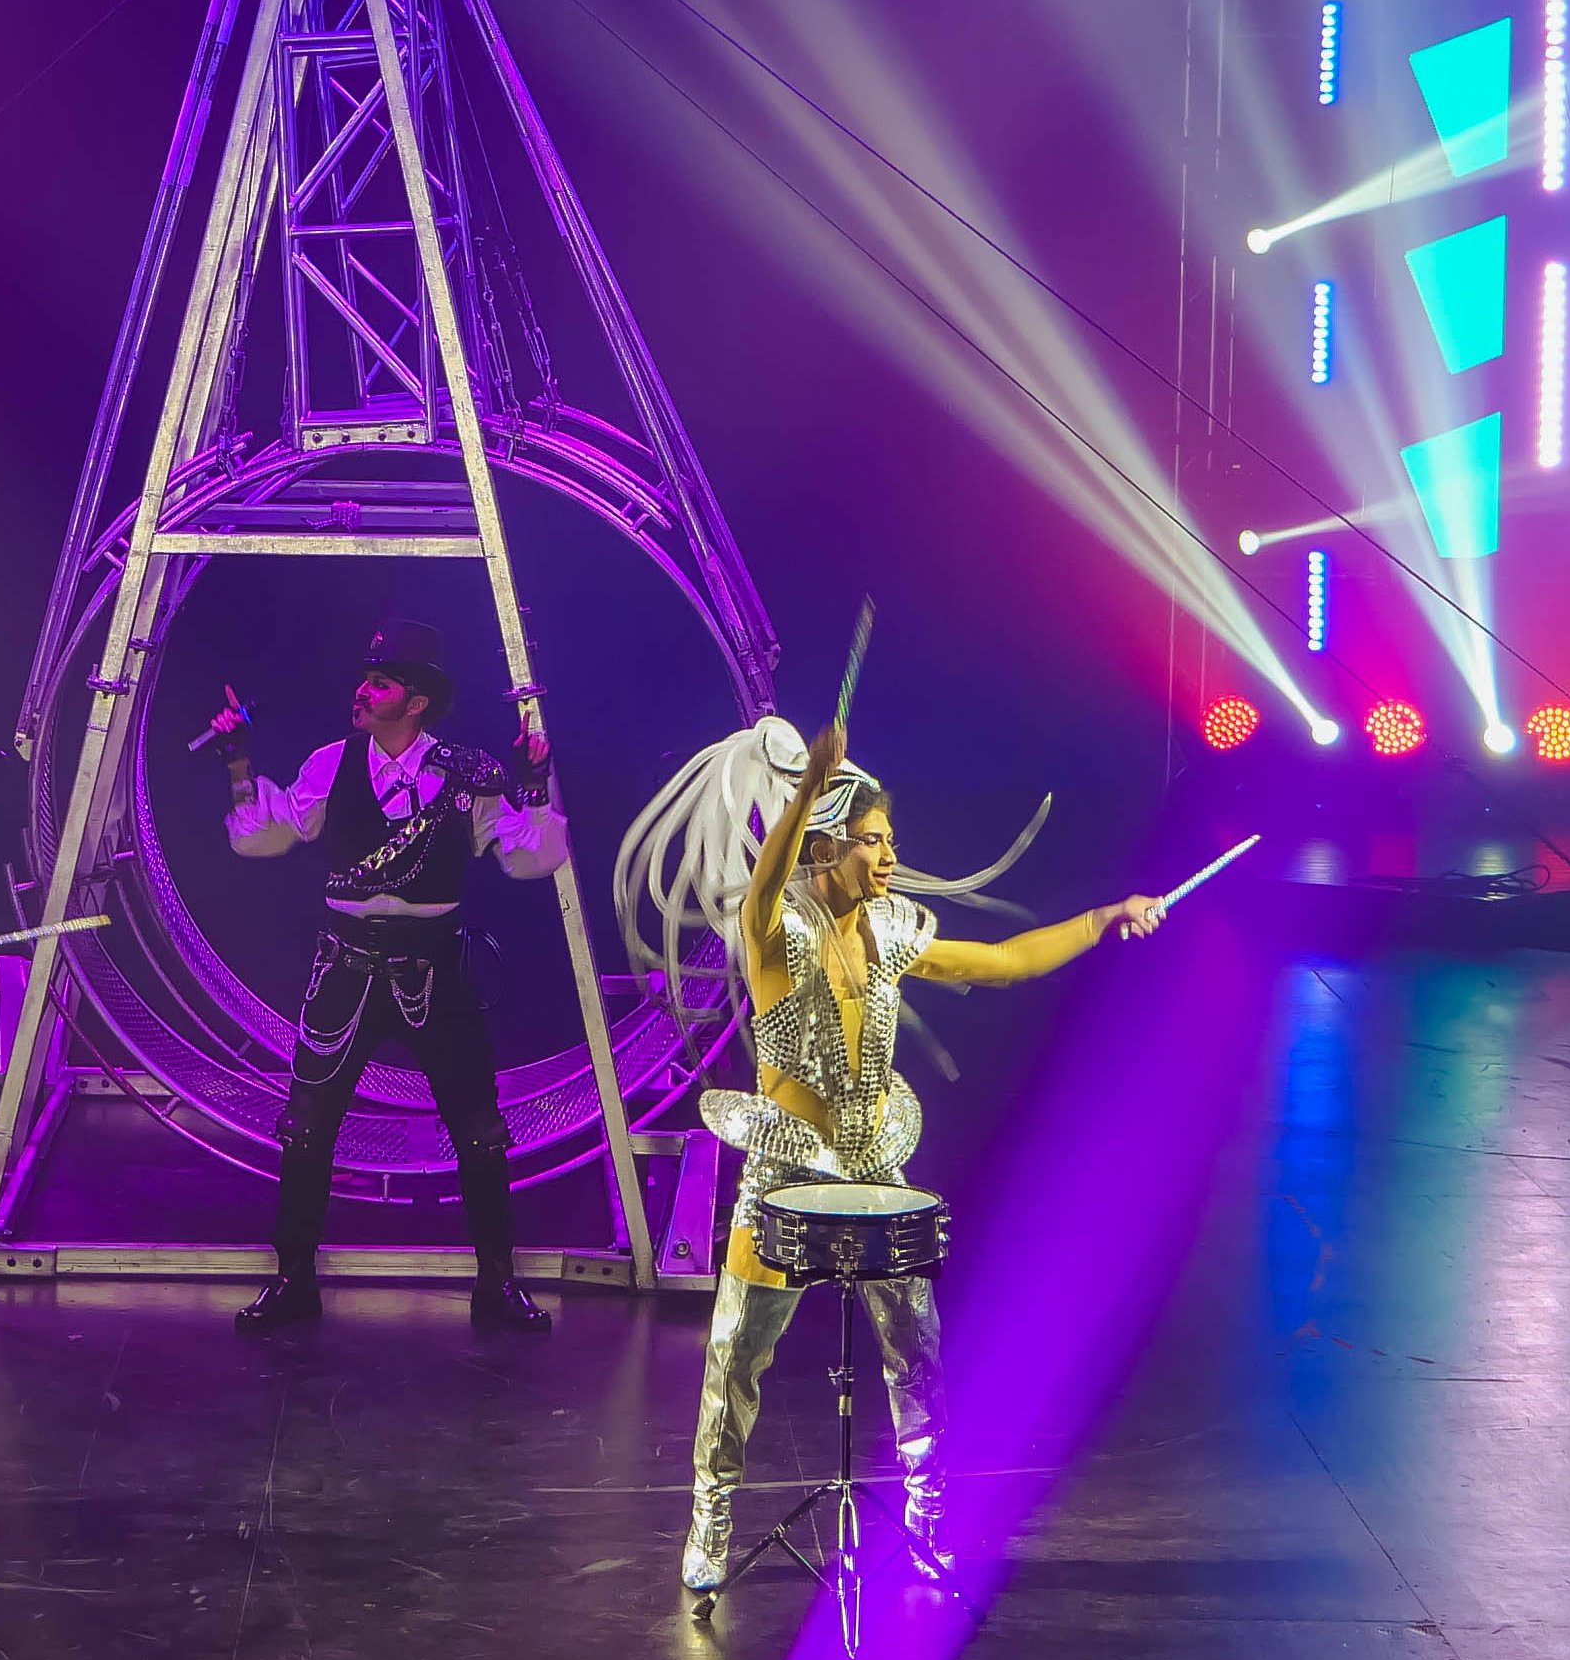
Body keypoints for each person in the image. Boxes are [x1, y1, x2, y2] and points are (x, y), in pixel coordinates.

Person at [617, 715, 1162, 1595]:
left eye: (892, 840)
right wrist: (805, 787)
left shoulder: (889, 936)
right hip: (787, 1173)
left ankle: (927, 1516)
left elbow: (1003, 962)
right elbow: (763, 885)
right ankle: (711, 1517)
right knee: (737, 1361)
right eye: (874, 841)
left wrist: (1103, 918)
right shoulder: (775, 934)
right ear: (827, 844)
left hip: (872, 1169)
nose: (889, 856)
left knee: (918, 1352)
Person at [212, 619, 568, 1335]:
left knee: (480, 1131)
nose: (362, 691)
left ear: (416, 701)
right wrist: (238, 764)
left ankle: (497, 1284)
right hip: (344, 968)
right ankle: (294, 1279)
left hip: (435, 966)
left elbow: (531, 858)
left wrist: (532, 781)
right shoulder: (329, 763)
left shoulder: (468, 772)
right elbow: (263, 836)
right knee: (306, 1128)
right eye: (364, 678)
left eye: (380, 683)